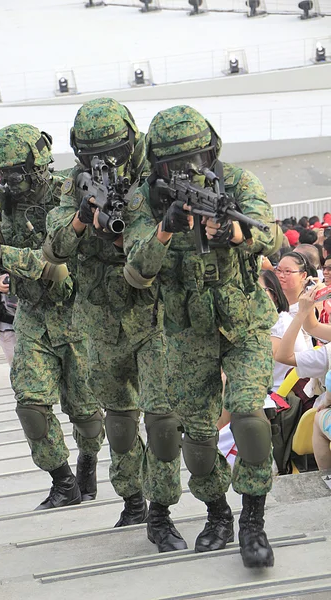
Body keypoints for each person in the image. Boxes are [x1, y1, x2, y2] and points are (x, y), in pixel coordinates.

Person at [122, 105, 281, 568]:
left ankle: (254, 521)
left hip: (244, 322)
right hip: (185, 334)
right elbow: (136, 273)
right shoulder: (143, 203)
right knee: (197, 441)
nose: (189, 171)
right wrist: (165, 230)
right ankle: (217, 513)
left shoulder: (237, 181)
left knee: (250, 417)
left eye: (197, 159)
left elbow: (270, 234)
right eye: (175, 164)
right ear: (157, 166)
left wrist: (233, 233)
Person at [43, 98, 186, 551]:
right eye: (93, 152)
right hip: (101, 319)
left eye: (115, 148)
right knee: (122, 423)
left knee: (162, 420)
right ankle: (133, 500)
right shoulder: (76, 184)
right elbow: (56, 245)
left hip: (158, 312)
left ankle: (161, 512)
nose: (107, 159)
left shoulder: (158, 170)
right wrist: (87, 217)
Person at [0, 124, 104, 509]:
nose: (6, 181)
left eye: (13, 172)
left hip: (77, 316)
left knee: (87, 412)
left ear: (36, 164)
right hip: (31, 316)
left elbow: (53, 264)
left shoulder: (72, 192)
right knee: (30, 403)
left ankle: (88, 459)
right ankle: (63, 481)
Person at [274, 284, 331, 470]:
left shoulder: (326, 354)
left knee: (319, 418)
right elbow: (313, 326)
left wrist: (300, 313)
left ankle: (326, 477)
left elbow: (284, 356)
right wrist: (307, 310)